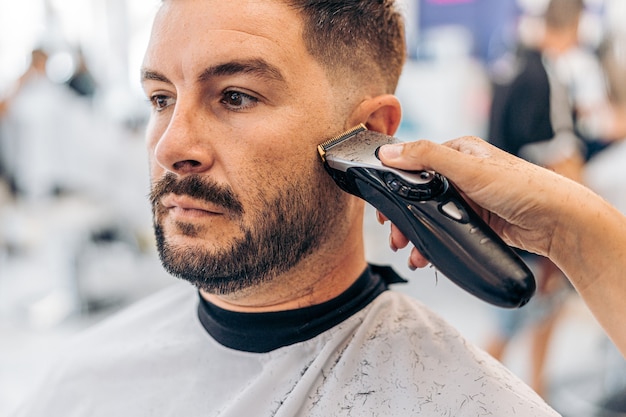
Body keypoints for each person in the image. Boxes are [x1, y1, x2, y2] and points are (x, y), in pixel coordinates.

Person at [10, 1, 561, 416]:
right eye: (161, 98)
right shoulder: (73, 383)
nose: (170, 147)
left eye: (235, 96)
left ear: (368, 135)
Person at [377, 136, 626, 360]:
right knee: (512, 330)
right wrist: (559, 231)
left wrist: (560, 231)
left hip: (527, 254)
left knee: (522, 327)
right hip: (522, 251)